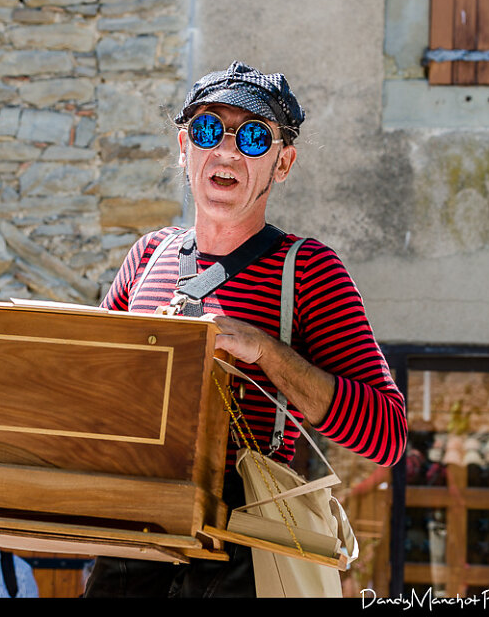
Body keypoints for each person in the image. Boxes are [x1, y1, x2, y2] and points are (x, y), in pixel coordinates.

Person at [82, 61, 407, 597]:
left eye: (255, 137)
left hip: (242, 552)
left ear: (283, 163)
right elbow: (88, 389)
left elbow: (388, 437)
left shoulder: (309, 269)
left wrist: (267, 353)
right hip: (131, 539)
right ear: (185, 148)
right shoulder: (147, 256)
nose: (229, 152)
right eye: (210, 130)